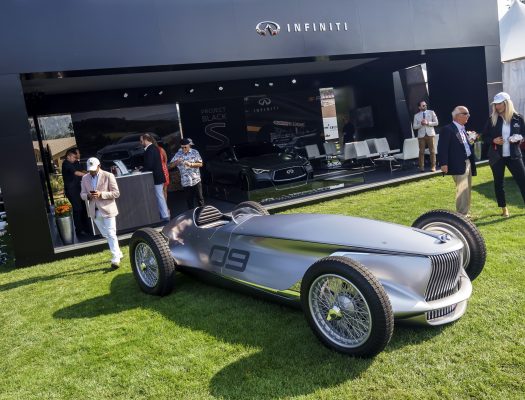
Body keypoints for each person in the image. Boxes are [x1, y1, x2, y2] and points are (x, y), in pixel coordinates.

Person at [481, 92, 525, 217]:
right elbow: (484, 136)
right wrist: (493, 140)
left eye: (499, 103)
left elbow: (524, 133)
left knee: (523, 181)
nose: (497, 106)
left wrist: (519, 137)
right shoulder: (492, 119)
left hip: (514, 156)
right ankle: (504, 208)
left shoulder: (518, 118)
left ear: (506, 103)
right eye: (495, 104)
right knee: (498, 183)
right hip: (497, 157)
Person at [80, 157, 123, 269]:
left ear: (99, 166)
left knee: (111, 233)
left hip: (108, 209)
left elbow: (116, 193)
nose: (92, 171)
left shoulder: (108, 175)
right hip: (94, 210)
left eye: (93, 169)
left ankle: (115, 259)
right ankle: (118, 252)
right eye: (90, 169)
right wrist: (88, 196)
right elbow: (82, 194)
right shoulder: (85, 178)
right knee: (106, 234)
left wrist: (101, 194)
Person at [438, 106, 477, 217]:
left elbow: (462, 145)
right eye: (465, 113)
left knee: (467, 188)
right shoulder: (448, 129)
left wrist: (471, 141)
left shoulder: (462, 128)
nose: (468, 116)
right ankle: (462, 214)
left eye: (468, 113)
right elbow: (442, 148)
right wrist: (443, 164)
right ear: (457, 116)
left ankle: (465, 212)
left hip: (467, 161)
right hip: (457, 163)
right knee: (462, 189)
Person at [140, 133, 170, 222]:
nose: (140, 142)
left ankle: (164, 216)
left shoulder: (150, 149)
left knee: (159, 196)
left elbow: (149, 165)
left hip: (156, 177)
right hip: (158, 176)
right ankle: (164, 215)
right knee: (159, 196)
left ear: (146, 140)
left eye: (141, 140)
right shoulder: (154, 148)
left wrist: (142, 170)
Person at [169, 138, 204, 209]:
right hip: (185, 181)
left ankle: (203, 213)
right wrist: (177, 162)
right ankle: (191, 215)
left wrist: (191, 164)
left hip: (196, 179)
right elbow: (170, 166)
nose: (184, 149)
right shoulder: (178, 154)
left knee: (200, 198)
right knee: (189, 200)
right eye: (182, 147)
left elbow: (201, 164)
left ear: (189, 145)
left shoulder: (195, 152)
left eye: (185, 147)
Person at [61, 147, 89, 237]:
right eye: (73, 157)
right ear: (68, 156)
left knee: (84, 209)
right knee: (77, 209)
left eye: (76, 157)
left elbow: (82, 170)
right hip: (72, 190)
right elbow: (76, 173)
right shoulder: (66, 164)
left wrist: (88, 172)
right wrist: (88, 175)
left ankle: (86, 227)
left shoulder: (76, 162)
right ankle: (79, 231)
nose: (75, 158)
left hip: (79, 188)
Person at [413, 100, 439, 172]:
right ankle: (421, 167)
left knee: (432, 151)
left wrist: (428, 123)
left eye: (426, 105)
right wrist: (421, 124)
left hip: (430, 134)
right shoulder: (416, 115)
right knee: (421, 152)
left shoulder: (431, 112)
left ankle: (433, 167)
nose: (425, 106)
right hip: (421, 136)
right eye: (423, 105)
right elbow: (414, 127)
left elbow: (436, 123)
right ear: (419, 107)